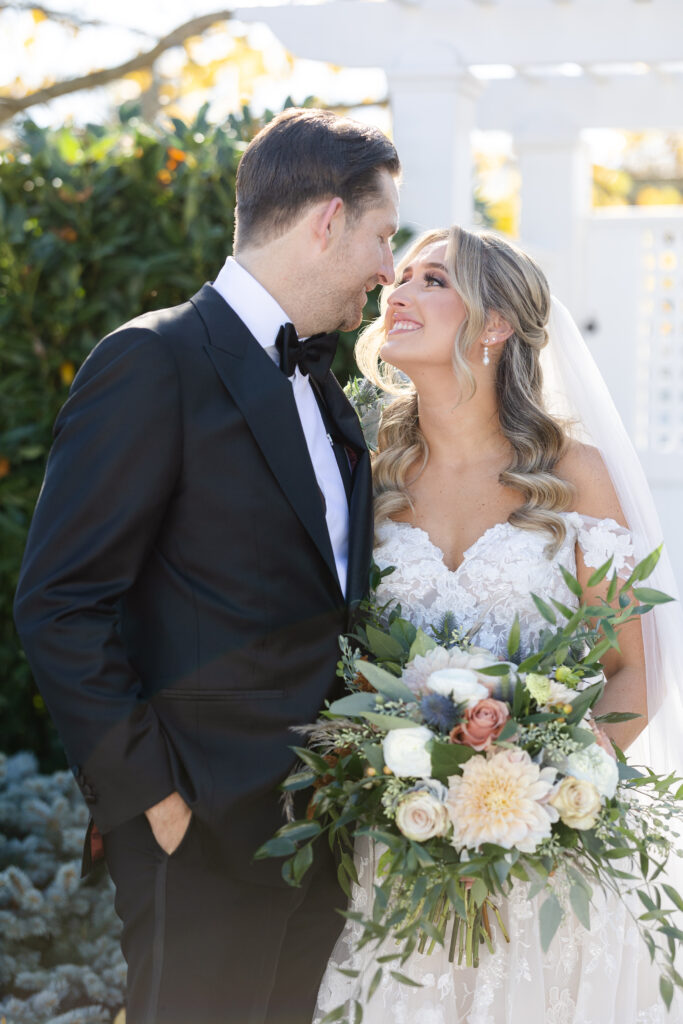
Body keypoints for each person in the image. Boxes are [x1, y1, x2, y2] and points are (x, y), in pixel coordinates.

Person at [13, 107, 400, 1024]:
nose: (389, 269)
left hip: (319, 833)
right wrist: (153, 802)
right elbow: (59, 604)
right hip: (200, 836)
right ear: (326, 220)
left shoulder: (328, 390)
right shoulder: (152, 361)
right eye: (384, 236)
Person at [314, 226, 683, 1022]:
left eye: (432, 279)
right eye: (399, 276)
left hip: (541, 857)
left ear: (494, 325)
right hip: (395, 848)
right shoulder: (363, 462)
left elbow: (636, 666)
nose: (397, 291)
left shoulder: (573, 473)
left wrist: (549, 794)